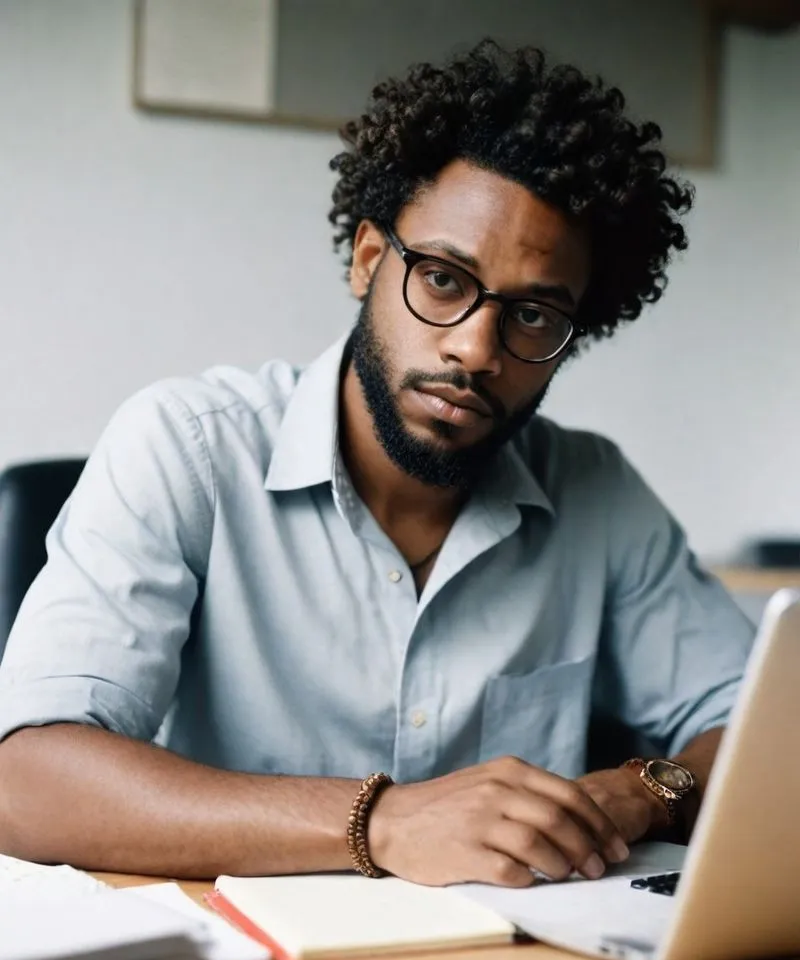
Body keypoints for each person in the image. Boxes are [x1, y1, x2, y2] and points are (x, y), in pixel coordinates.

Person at [0, 40, 753, 887]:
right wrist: (383, 820)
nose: (474, 348)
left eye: (535, 316)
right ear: (367, 259)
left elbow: (767, 736)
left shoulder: (598, 492)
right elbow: (26, 780)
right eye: (440, 279)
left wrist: (649, 790)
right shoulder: (186, 447)